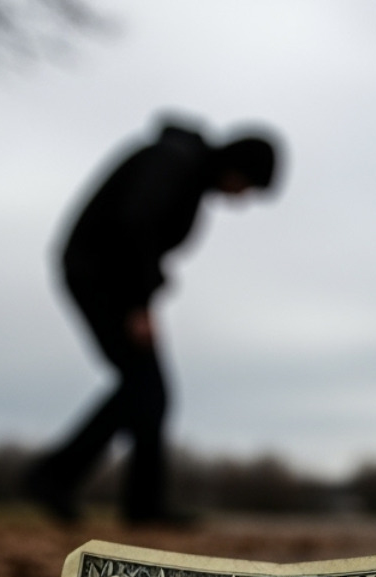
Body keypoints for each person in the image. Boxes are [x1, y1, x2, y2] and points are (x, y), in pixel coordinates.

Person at [24, 119, 280, 523]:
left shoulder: (187, 171)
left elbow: (144, 234)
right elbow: (134, 226)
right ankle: (62, 479)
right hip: (98, 275)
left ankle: (121, 499)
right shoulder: (174, 162)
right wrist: (139, 304)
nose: (243, 198)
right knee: (145, 388)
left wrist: (153, 282)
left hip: (109, 277)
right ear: (238, 168)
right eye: (249, 187)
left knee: (145, 391)